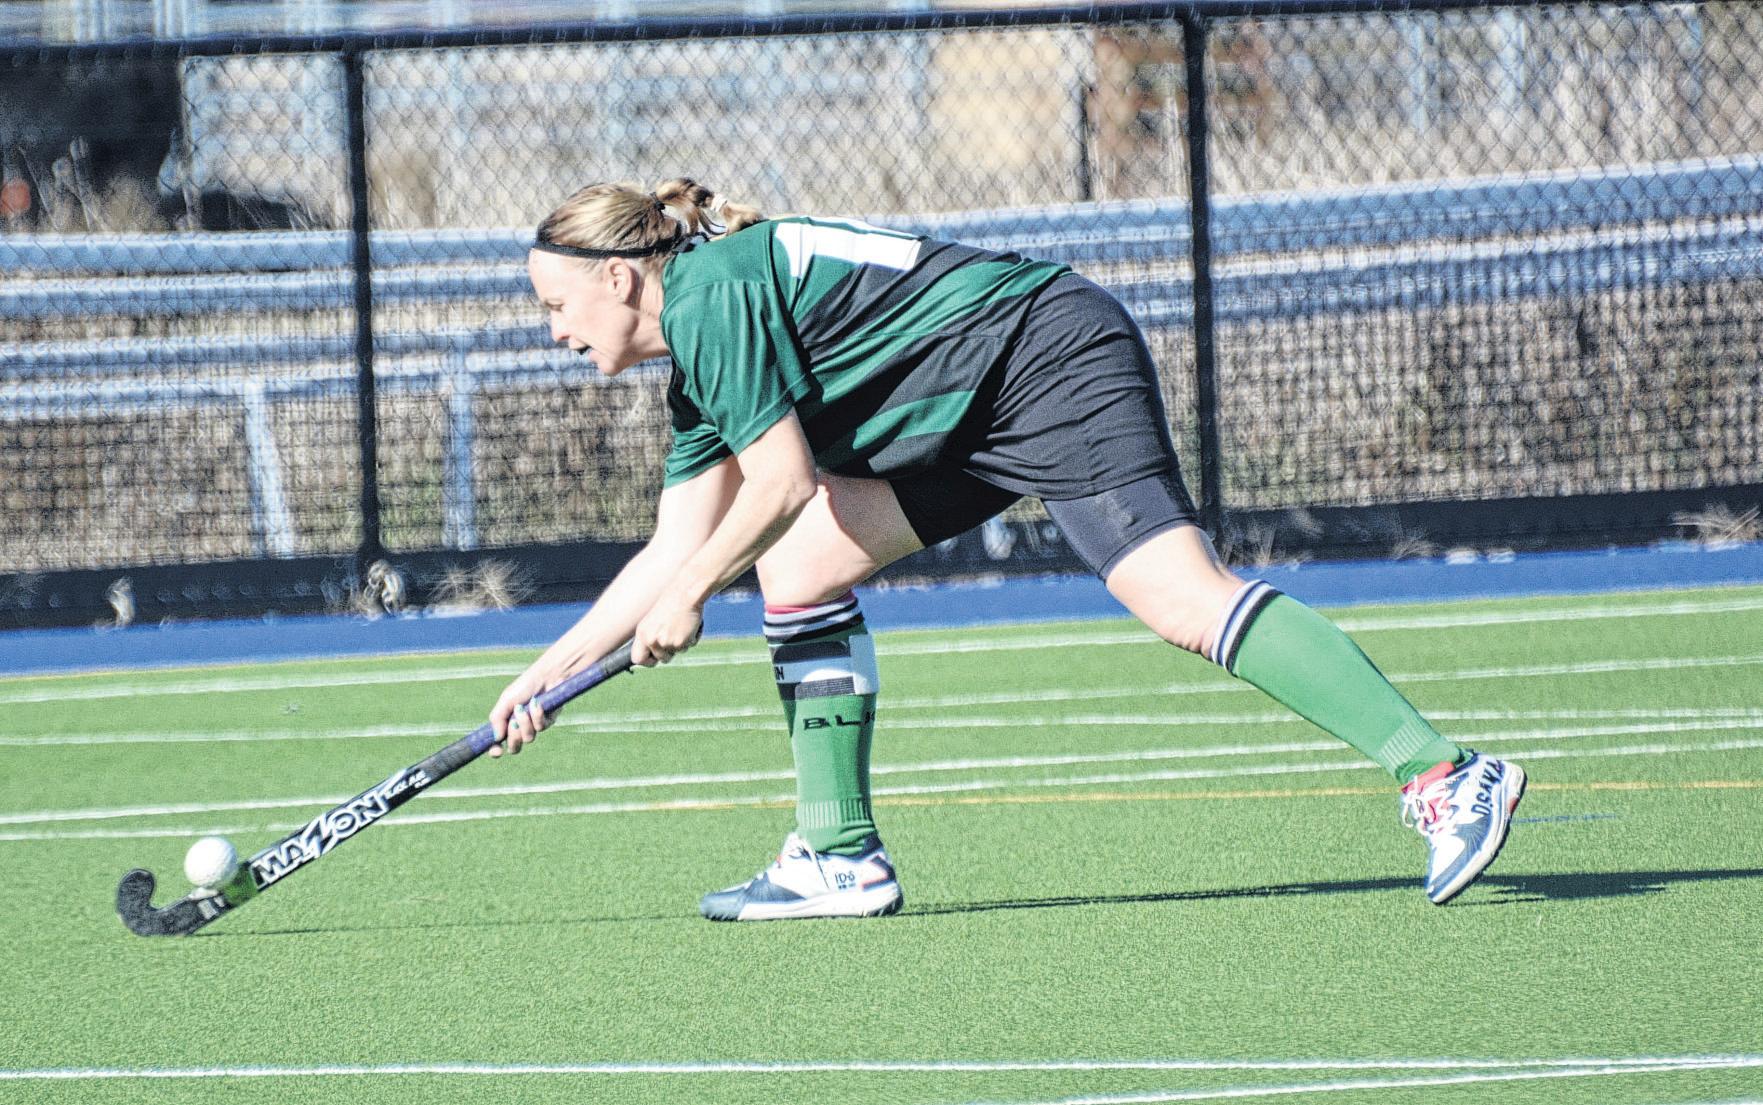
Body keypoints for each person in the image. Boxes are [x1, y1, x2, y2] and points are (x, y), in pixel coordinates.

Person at [489, 178, 1527, 921]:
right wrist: (545, 676)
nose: (554, 331)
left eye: (555, 306)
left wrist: (691, 596)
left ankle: (1444, 772)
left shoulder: (711, 296)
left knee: (1177, 595)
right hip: (966, 410)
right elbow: (671, 545)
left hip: (1045, 358)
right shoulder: (699, 357)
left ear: (619, 277)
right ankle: (839, 858)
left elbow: (782, 485)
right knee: (799, 569)